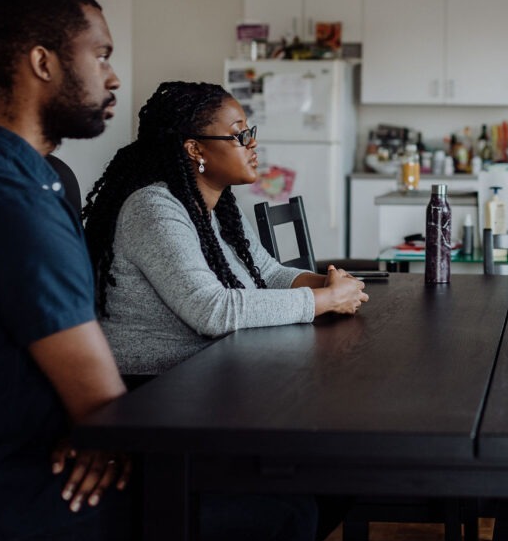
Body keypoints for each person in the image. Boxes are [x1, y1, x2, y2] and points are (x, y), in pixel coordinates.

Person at [0, 0, 316, 541]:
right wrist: (99, 430)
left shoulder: (2, 173)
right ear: (43, 63)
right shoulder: (14, 202)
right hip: (4, 507)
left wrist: (94, 427)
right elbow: (104, 408)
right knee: (282, 512)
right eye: (102, 54)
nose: (114, 76)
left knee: (259, 481)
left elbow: (90, 401)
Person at [82, 81, 369, 376]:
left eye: (250, 132)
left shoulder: (217, 206)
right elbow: (212, 310)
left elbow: (268, 273)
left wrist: (326, 283)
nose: (252, 143)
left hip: (213, 370)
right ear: (195, 149)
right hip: (157, 387)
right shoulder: (153, 209)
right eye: (239, 135)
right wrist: (327, 300)